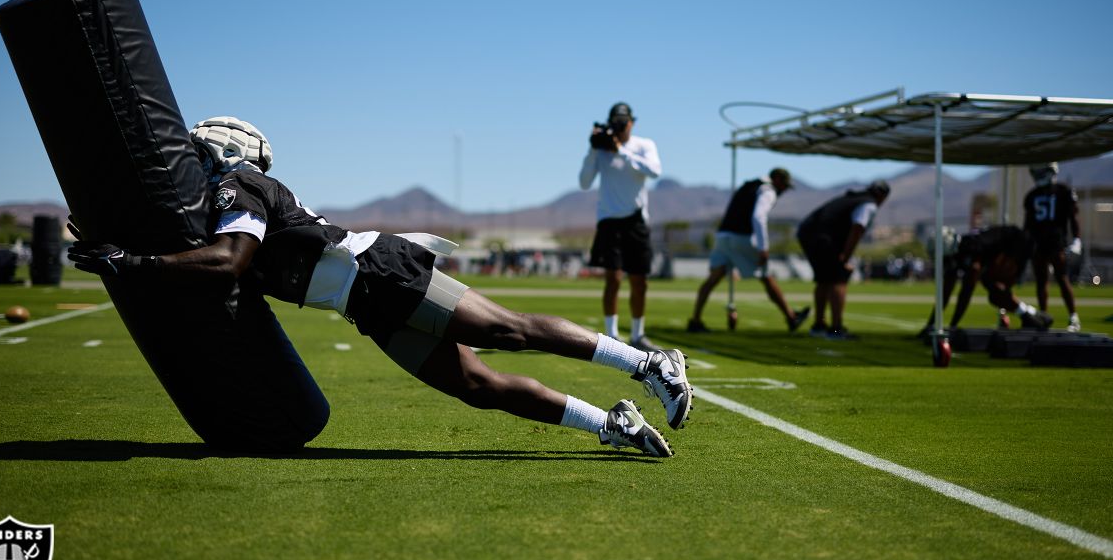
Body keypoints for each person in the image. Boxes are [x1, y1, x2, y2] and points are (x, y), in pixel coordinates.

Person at [68, 117, 693, 457]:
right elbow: (201, 248)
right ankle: (609, 423)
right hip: (361, 304)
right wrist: (115, 231)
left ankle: (648, 363)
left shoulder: (241, 186)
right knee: (477, 385)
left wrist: (134, 262)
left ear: (224, 148)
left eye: (200, 150)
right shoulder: (224, 202)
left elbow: (227, 263)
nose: (193, 160)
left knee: (508, 330)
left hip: (379, 273)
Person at [686, 167, 809, 333]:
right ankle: (791, 317)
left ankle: (695, 320)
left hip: (723, 237)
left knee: (713, 279)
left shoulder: (748, 186)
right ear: (778, 180)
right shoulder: (768, 191)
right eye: (785, 186)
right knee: (766, 276)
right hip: (740, 237)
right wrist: (763, 247)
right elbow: (758, 217)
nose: (784, 191)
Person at [579, 102, 661, 349]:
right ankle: (612, 336)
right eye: (615, 123)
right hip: (609, 221)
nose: (620, 128)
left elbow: (655, 171)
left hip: (636, 220)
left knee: (639, 280)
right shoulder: (601, 150)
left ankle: (638, 334)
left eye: (623, 123)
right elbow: (584, 182)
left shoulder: (644, 145)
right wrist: (593, 149)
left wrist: (621, 150)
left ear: (631, 123)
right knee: (613, 278)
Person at [916, 225, 1054, 338]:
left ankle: (1030, 317)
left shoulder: (971, 252)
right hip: (1011, 245)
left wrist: (952, 326)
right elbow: (945, 294)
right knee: (995, 295)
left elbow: (965, 293)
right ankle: (1032, 315)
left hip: (1019, 244)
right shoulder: (957, 255)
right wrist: (930, 325)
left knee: (992, 286)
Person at [795, 180, 890, 340]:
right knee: (838, 279)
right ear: (881, 195)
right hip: (824, 239)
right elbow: (857, 229)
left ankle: (819, 325)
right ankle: (836, 328)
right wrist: (846, 257)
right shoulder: (868, 204)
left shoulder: (851, 198)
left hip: (808, 234)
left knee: (824, 280)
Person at [1023, 162, 1082, 332]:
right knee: (1041, 282)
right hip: (1038, 243)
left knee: (1062, 279)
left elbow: (1073, 217)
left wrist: (1077, 239)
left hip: (1056, 242)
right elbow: (1027, 224)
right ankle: (1044, 318)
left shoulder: (1063, 191)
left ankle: (1073, 317)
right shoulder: (1032, 195)